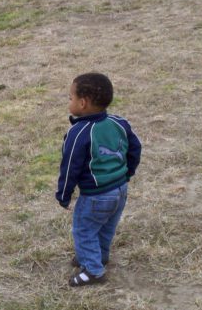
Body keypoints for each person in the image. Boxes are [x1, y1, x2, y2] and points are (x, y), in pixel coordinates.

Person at [56, 72, 141, 287]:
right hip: (120, 190)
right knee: (105, 227)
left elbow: (70, 168)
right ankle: (98, 256)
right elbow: (135, 148)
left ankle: (93, 270)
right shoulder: (118, 123)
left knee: (84, 229)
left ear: (82, 103)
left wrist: (63, 195)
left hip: (96, 195)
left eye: (70, 97)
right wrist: (127, 173)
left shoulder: (78, 133)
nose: (69, 101)